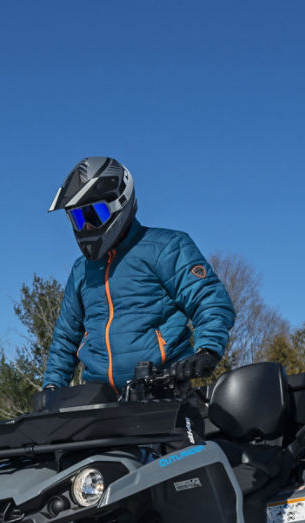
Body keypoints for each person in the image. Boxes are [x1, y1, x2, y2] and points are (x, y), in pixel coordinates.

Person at [42, 157, 235, 396]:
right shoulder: (82, 270)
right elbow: (66, 337)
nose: (86, 228)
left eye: (94, 215)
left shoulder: (165, 248)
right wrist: (52, 387)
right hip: (99, 401)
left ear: (120, 203)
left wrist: (207, 351)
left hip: (163, 389)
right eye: (78, 218)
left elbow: (209, 300)